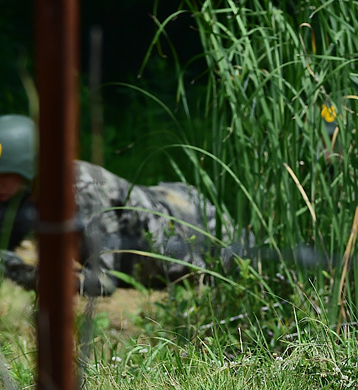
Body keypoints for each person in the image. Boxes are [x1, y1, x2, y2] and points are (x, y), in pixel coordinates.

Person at [0, 114, 217, 296]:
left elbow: (103, 281)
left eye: (3, 175)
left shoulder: (84, 191)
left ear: (28, 167)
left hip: (198, 231)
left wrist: (23, 274)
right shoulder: (26, 191)